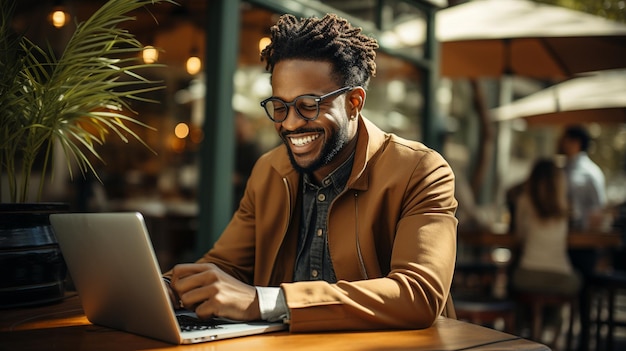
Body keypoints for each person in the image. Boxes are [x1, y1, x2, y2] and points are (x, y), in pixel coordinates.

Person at [162, 13, 458, 332]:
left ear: (354, 103)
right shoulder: (269, 171)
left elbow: (418, 295)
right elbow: (225, 266)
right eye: (280, 106)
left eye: (308, 105)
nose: (290, 123)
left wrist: (266, 302)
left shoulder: (420, 171)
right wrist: (167, 288)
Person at [511, 158, 581, 296]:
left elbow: (520, 237)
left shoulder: (524, 201)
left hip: (528, 273)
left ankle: (523, 317)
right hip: (561, 274)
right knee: (576, 280)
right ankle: (553, 318)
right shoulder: (564, 206)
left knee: (514, 279)